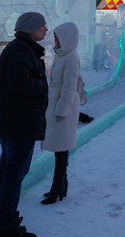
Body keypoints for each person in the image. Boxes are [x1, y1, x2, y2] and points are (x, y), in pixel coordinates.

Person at [0, 12, 49, 237]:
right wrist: (42, 85)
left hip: (16, 122)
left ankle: (0, 222)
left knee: (7, 172)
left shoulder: (21, 49)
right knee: (13, 175)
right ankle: (6, 226)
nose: (46, 30)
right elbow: (19, 84)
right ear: (31, 28)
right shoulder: (21, 50)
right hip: (19, 123)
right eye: (42, 26)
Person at [41, 22, 86, 205]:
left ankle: (56, 188)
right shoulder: (62, 56)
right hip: (55, 104)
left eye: (58, 37)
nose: (55, 40)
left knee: (61, 149)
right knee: (59, 149)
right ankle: (61, 186)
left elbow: (69, 87)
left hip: (63, 107)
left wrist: (61, 108)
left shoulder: (71, 58)